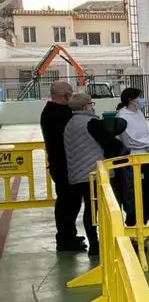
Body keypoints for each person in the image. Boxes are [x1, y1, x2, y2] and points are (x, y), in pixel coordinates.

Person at [63, 93, 127, 256]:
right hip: (97, 173)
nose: (92, 106)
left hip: (78, 174)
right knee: (109, 207)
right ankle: (111, 240)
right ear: (86, 106)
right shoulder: (91, 122)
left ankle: (94, 244)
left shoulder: (69, 123)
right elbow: (110, 144)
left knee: (90, 209)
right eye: (91, 104)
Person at [39, 81, 86, 252]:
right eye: (70, 94)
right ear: (65, 95)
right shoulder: (60, 114)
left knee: (69, 202)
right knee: (68, 203)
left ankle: (68, 235)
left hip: (61, 164)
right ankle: (65, 240)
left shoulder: (50, 111)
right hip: (64, 165)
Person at [116, 88, 149, 230]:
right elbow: (131, 141)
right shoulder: (122, 116)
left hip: (145, 159)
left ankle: (142, 223)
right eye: (139, 97)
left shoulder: (139, 113)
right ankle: (132, 226)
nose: (142, 100)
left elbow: (148, 135)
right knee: (135, 196)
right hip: (132, 161)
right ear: (131, 100)